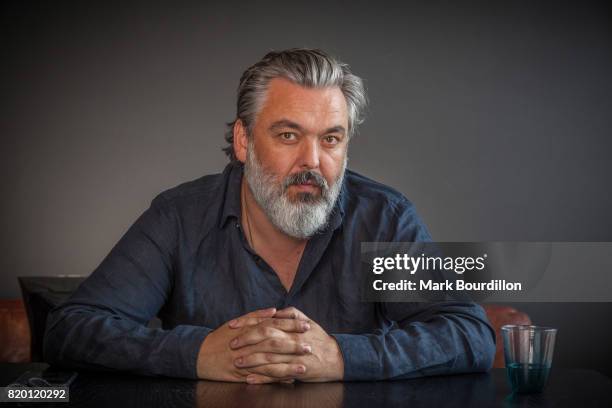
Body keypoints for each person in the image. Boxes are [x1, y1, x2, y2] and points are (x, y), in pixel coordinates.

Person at [44, 48, 495, 384]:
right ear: (244, 141)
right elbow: (71, 329)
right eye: (287, 135)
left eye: (331, 139)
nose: (313, 162)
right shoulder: (179, 216)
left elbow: (469, 333)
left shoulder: (385, 218)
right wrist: (197, 353)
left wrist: (340, 356)